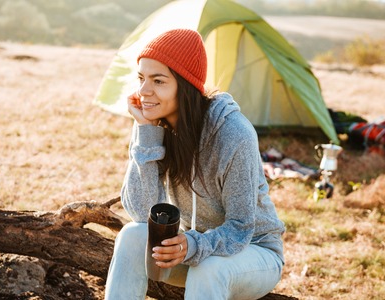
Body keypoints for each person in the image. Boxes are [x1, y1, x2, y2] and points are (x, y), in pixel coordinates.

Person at [104, 28, 285, 300]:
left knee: (208, 268)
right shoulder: (154, 125)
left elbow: (241, 227)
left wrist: (192, 245)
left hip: (254, 252)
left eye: (159, 81)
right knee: (131, 236)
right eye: (141, 78)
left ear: (185, 85)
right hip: (192, 247)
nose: (144, 91)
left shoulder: (234, 133)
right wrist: (145, 132)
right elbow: (142, 214)